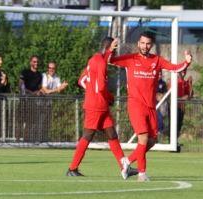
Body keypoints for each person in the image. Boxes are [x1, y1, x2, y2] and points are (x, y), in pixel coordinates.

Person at [106, 31, 192, 181]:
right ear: (138, 43)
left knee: (151, 141)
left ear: (151, 45)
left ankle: (127, 161)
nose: (145, 46)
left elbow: (175, 68)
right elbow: (108, 60)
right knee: (143, 138)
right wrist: (111, 49)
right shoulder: (130, 58)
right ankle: (142, 174)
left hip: (151, 107)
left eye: (148, 44)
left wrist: (187, 62)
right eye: (142, 43)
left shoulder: (156, 60)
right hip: (135, 105)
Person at [67, 37, 136, 179]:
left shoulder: (94, 60)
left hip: (100, 105)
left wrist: (92, 92)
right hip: (96, 106)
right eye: (113, 50)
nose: (114, 54)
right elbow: (101, 87)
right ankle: (72, 168)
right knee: (88, 135)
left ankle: (125, 167)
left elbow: (82, 81)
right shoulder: (100, 63)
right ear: (107, 47)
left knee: (112, 134)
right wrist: (109, 97)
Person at [16, 55, 43, 142]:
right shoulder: (25, 72)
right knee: (20, 121)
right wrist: (31, 93)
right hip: (24, 100)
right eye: (34, 61)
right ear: (30, 62)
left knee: (30, 121)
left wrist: (40, 91)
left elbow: (39, 87)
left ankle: (26, 140)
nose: (36, 63)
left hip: (33, 101)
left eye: (37, 62)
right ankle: (17, 140)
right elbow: (21, 85)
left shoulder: (39, 75)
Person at [40, 61, 68, 142]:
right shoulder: (44, 76)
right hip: (41, 103)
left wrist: (62, 87)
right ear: (47, 69)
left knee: (47, 123)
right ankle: (37, 140)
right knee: (40, 123)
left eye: (53, 68)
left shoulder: (57, 77)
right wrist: (58, 88)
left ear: (56, 69)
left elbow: (60, 92)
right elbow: (46, 91)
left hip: (49, 103)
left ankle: (45, 139)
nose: (51, 70)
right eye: (50, 68)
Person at [168, 69, 191, 152]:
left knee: (179, 126)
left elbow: (189, 95)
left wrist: (190, 84)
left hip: (181, 107)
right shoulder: (174, 81)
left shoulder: (185, 83)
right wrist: (182, 98)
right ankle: (171, 143)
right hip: (173, 107)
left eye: (185, 72)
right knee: (173, 125)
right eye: (182, 72)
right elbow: (170, 93)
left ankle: (175, 142)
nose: (183, 73)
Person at [0, 54, 9, 140]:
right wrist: (2, 81)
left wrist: (5, 82)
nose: (1, 62)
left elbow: (6, 89)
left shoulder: (2, 73)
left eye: (1, 60)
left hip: (0, 101)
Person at [156, 70, 168, 142]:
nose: (159, 76)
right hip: (153, 103)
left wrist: (162, 95)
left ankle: (157, 138)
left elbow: (165, 92)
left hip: (160, 104)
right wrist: (157, 95)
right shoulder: (152, 81)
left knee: (160, 119)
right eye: (158, 74)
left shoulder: (163, 83)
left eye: (160, 74)